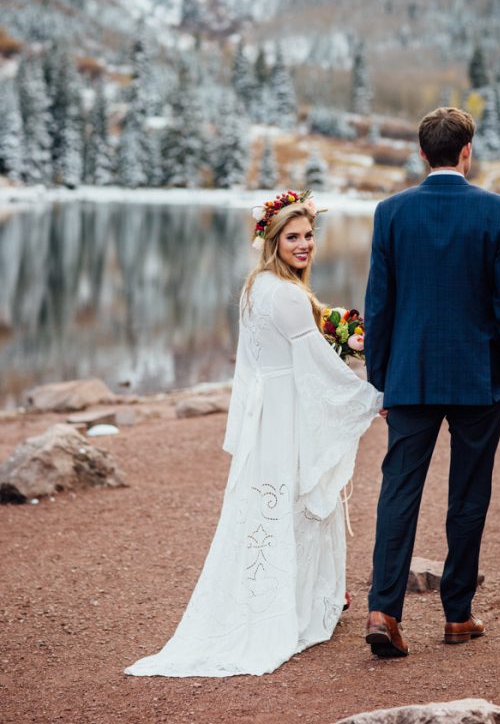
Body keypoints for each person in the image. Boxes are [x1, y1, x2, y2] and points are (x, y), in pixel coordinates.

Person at [125, 190, 382, 677]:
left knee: (273, 507)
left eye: (308, 236)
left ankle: (282, 595)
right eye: (293, 237)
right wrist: (370, 399)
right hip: (285, 415)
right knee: (296, 501)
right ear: (272, 240)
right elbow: (314, 367)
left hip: (268, 417)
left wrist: (336, 340)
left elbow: (268, 363)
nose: (304, 245)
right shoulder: (285, 294)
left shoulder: (256, 287)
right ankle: (291, 608)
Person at [364, 107, 500, 657]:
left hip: (409, 374)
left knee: (398, 492)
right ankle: (457, 617)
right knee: (468, 494)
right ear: (466, 151)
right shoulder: (496, 211)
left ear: (421, 153)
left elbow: (379, 306)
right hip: (477, 377)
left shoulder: (391, 213)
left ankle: (384, 612)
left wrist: (381, 378)